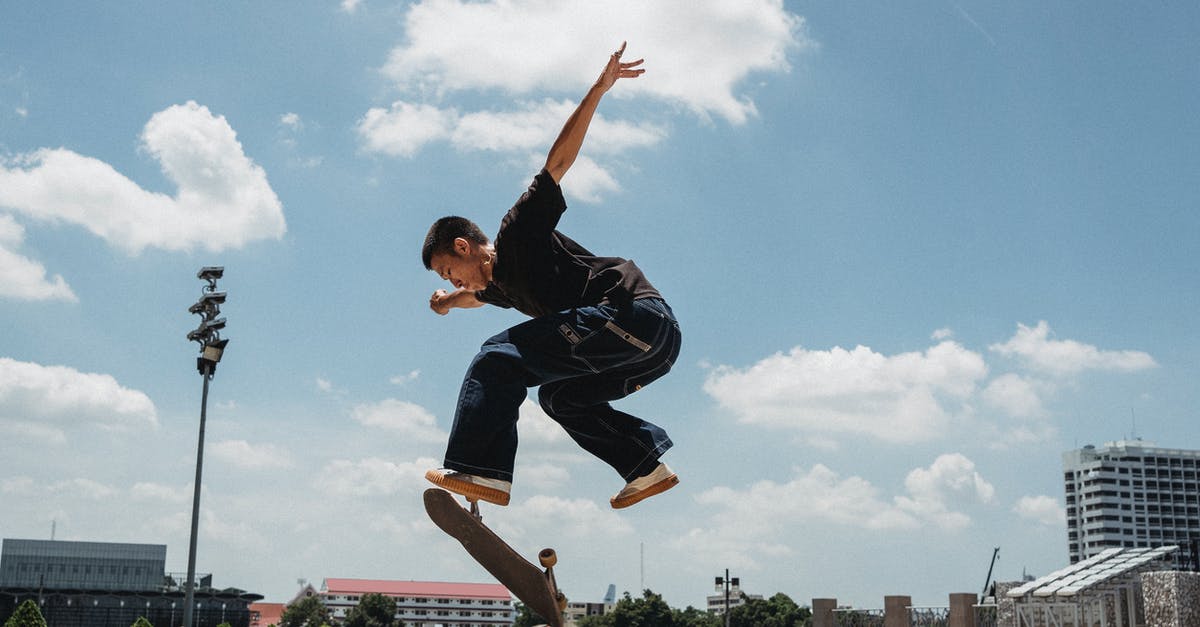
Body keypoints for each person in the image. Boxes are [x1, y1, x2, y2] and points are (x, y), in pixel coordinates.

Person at [421, 42, 681, 510]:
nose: (455, 281)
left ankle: (482, 469)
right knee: (561, 399)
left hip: (632, 316)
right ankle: (645, 466)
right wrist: (447, 301)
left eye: (449, 271)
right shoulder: (501, 287)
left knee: (497, 358)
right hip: (652, 350)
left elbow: (557, 165)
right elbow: (478, 298)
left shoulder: (518, 232)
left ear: (464, 247)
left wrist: (598, 90)